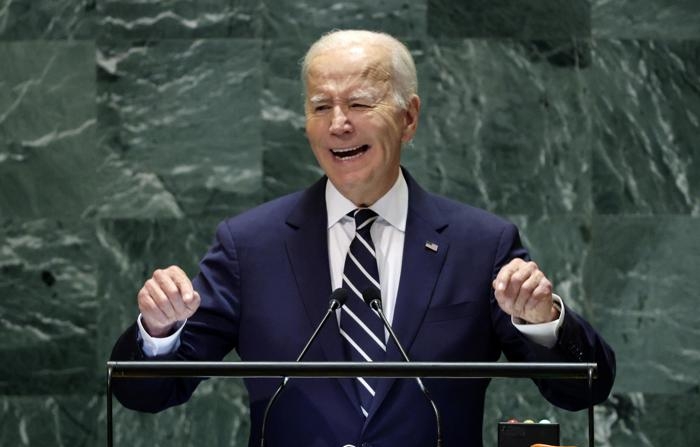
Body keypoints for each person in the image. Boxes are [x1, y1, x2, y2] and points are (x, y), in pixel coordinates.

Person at [111, 30, 615, 447]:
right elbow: (149, 393)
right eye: (320, 107)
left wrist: (544, 323)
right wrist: (157, 334)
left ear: (409, 117)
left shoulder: (480, 244)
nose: (338, 124)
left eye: (358, 102)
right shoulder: (251, 246)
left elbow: (580, 392)